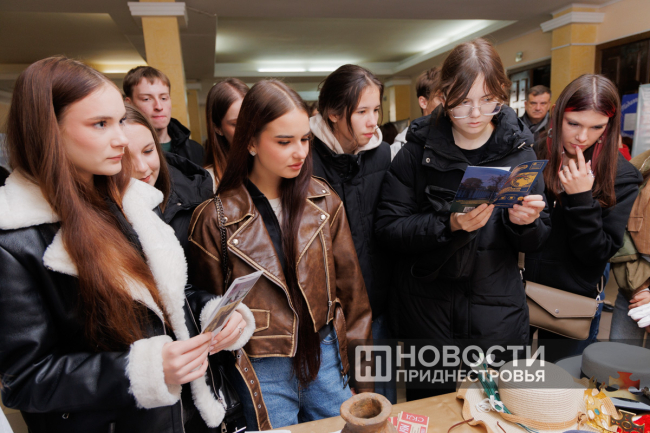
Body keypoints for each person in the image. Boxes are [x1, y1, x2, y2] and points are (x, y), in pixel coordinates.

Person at [0, 57, 254, 433]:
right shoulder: (15, 238)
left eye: (119, 120)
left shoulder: (130, 203)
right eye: (100, 124)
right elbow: (25, 380)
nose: (121, 138)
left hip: (184, 417)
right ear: (47, 130)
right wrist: (145, 370)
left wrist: (214, 314)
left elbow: (167, 296)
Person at [187, 80, 373, 430]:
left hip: (325, 353)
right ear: (251, 142)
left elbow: (354, 299)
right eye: (284, 142)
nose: (300, 153)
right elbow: (206, 310)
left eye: (305, 139)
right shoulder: (215, 219)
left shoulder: (324, 201)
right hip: (261, 366)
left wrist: (364, 379)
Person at [374, 38, 550, 400]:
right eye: (463, 101)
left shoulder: (520, 153)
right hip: (428, 310)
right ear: (443, 95)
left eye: (488, 100)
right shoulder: (417, 152)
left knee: (496, 407)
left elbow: (537, 240)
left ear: (502, 94)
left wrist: (525, 224)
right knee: (431, 409)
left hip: (495, 311)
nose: (476, 113)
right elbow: (388, 229)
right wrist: (448, 224)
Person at [526, 74, 643, 361]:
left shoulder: (621, 175)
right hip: (515, 286)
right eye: (574, 123)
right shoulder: (534, 152)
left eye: (597, 127)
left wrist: (580, 199)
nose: (582, 137)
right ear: (558, 114)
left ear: (609, 125)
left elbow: (597, 254)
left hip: (570, 299)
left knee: (558, 378)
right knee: (504, 376)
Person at [309, 64, 394, 402]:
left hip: (377, 304)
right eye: (361, 112)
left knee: (381, 397)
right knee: (338, 406)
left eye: (376, 110)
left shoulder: (382, 154)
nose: (372, 121)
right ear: (333, 113)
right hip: (326, 315)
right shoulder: (305, 160)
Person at [123, 104, 213, 251]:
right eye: (125, 158)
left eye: (148, 151)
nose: (142, 167)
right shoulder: (97, 216)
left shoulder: (195, 197)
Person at [124, 66, 205, 167]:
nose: (159, 106)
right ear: (129, 104)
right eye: (146, 99)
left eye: (163, 98)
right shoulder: (121, 153)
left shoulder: (196, 150)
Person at [611, 149, 650, 347]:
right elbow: (618, 227)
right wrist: (639, 289)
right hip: (634, 279)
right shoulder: (641, 166)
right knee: (619, 358)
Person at [204, 78, 249, 188]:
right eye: (236, 124)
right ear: (217, 128)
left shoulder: (272, 166)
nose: (247, 129)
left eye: (251, 120)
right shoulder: (209, 181)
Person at [391, 67, 442, 158]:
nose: (448, 104)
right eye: (441, 98)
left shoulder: (459, 139)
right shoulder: (401, 147)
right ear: (423, 102)